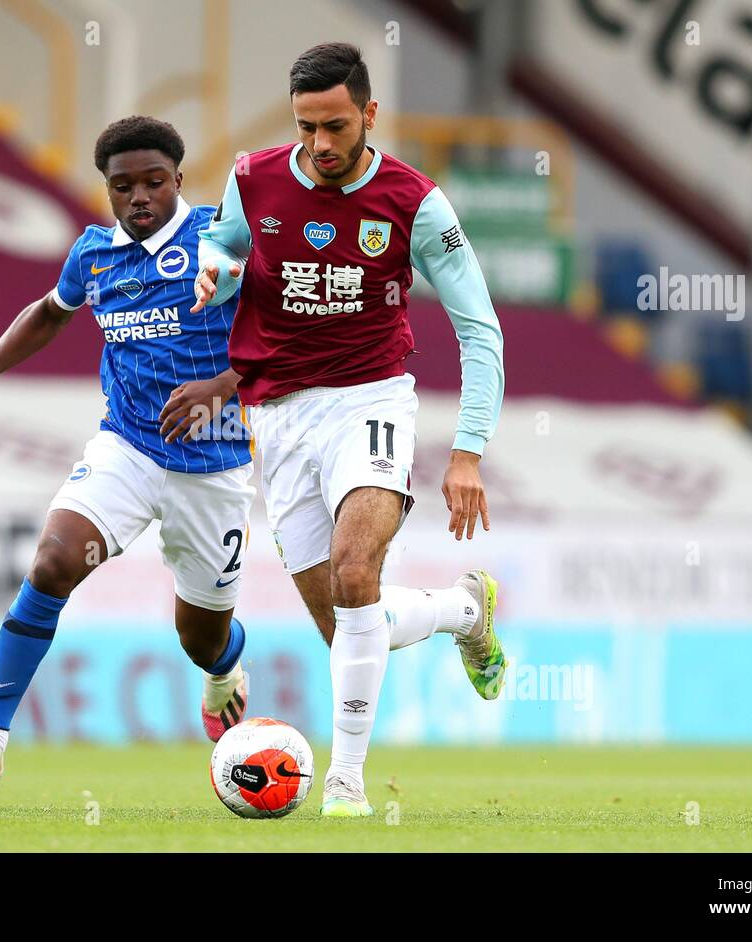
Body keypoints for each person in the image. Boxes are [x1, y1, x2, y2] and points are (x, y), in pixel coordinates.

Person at [193, 43, 507, 817]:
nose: (322, 144)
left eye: (336, 125)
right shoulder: (252, 179)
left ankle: (344, 785)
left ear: (369, 114)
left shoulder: (416, 203)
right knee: (347, 624)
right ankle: (466, 610)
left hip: (370, 401)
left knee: (358, 571)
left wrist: (467, 451)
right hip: (277, 416)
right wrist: (213, 266)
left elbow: (482, 329)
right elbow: (224, 245)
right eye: (306, 127)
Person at [0, 116, 255, 793]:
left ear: (178, 182)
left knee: (200, 639)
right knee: (51, 564)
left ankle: (225, 667)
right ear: (106, 188)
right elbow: (50, 312)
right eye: (122, 186)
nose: (140, 197)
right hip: (127, 448)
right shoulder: (94, 253)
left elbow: (285, 331)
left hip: (215, 467)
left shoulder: (221, 240)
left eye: (154, 183)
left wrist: (224, 385)